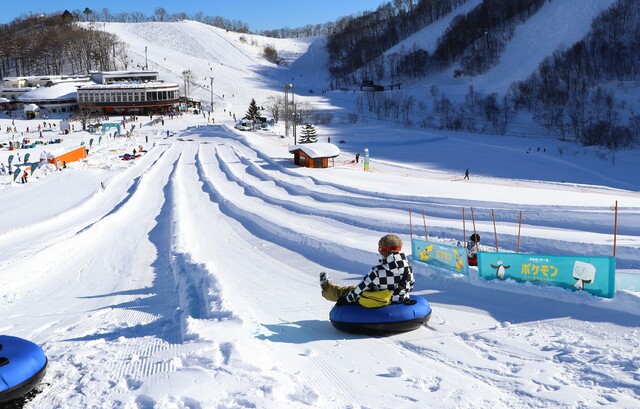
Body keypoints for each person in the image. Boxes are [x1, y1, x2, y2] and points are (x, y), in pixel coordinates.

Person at [319, 234, 414, 306]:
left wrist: (346, 300)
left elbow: (359, 289)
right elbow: (410, 286)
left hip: (379, 301)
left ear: (381, 250)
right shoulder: (408, 267)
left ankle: (327, 289)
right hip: (400, 300)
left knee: (349, 291)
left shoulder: (377, 272)